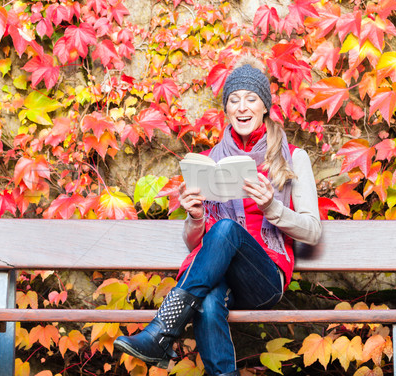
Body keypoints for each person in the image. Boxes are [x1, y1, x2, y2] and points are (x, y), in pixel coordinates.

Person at [114, 55, 322, 376]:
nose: (242, 107)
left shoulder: (294, 158)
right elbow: (195, 243)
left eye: (251, 99)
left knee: (225, 229)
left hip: (265, 280)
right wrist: (195, 216)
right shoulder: (212, 160)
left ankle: (161, 331)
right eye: (234, 100)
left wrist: (273, 208)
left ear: (265, 106)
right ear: (225, 109)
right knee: (209, 301)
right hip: (219, 279)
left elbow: (312, 232)